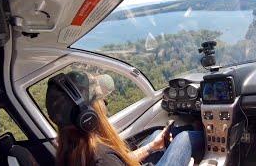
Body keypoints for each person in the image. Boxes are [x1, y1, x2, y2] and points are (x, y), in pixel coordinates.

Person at [45, 71, 204, 166]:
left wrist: (151, 148)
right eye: (99, 99)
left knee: (156, 136)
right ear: (87, 117)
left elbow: (121, 161)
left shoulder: (71, 150)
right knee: (184, 138)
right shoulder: (102, 158)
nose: (104, 102)